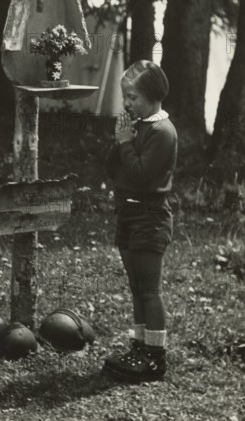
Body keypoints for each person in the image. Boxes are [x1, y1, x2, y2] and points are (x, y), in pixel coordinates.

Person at [101, 60, 178, 383]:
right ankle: (139, 347)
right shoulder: (138, 126)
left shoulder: (162, 131)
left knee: (149, 289)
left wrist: (125, 142)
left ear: (152, 95)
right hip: (128, 214)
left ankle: (155, 357)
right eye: (125, 97)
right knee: (136, 288)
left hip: (150, 216)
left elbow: (141, 174)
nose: (127, 103)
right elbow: (113, 168)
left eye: (132, 97)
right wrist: (120, 140)